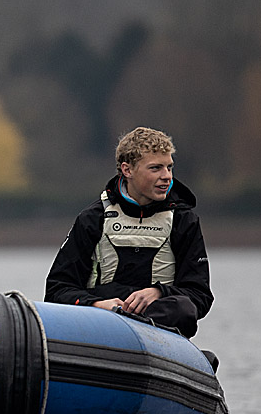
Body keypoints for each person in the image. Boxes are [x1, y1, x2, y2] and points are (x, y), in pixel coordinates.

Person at [44, 126, 213, 338]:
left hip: (161, 327)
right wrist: (97, 304)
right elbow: (57, 290)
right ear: (127, 170)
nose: (167, 176)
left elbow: (200, 296)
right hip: (101, 324)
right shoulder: (93, 219)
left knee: (182, 308)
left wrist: (159, 292)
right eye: (155, 168)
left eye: (169, 167)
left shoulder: (183, 220)